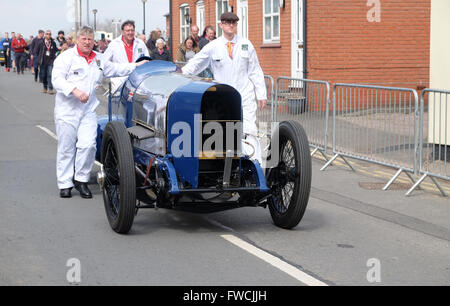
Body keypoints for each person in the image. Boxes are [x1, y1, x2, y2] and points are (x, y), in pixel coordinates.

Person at [52, 26, 149, 199]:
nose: (87, 42)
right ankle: (65, 183)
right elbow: (57, 79)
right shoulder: (66, 57)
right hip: (67, 110)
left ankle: (81, 180)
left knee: (88, 145)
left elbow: (117, 69)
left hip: (88, 109)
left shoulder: (99, 59)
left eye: (90, 39)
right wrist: (74, 91)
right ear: (78, 40)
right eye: (84, 39)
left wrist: (137, 65)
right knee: (67, 147)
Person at [182, 12, 267, 164]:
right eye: (227, 22)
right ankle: (225, 166)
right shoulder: (213, 46)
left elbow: (255, 70)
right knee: (223, 131)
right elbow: (196, 64)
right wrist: (178, 76)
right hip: (223, 98)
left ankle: (255, 166)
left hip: (245, 95)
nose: (231, 25)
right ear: (221, 25)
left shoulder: (246, 44)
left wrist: (261, 94)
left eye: (233, 22)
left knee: (249, 130)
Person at [103, 20, 149, 94]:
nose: (130, 33)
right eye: (128, 30)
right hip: (119, 84)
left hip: (137, 83)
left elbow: (147, 60)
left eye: (132, 30)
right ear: (122, 32)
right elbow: (104, 62)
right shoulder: (114, 44)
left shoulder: (140, 43)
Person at [36, 30, 58, 94]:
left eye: (50, 34)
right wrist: (38, 59)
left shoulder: (53, 43)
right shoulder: (41, 43)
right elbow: (37, 51)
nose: (48, 35)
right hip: (43, 62)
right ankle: (45, 87)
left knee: (50, 75)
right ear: (45, 35)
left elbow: (55, 50)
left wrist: (60, 48)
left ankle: (50, 89)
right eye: (47, 34)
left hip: (50, 61)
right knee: (44, 75)